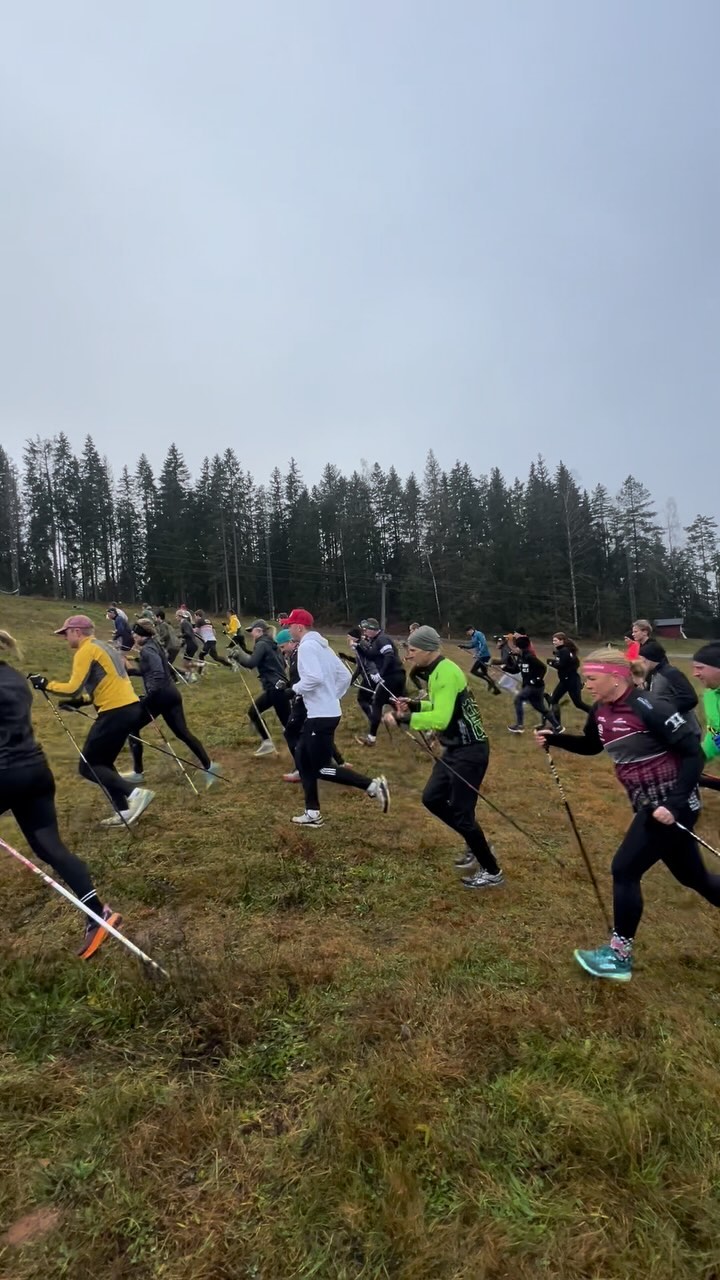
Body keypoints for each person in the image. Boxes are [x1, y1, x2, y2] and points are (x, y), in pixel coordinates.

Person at [535, 648, 712, 982]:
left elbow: (693, 756)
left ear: (615, 677)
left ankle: (619, 957)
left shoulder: (651, 708)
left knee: (624, 869)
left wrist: (674, 805)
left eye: (591, 678)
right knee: (695, 878)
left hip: (672, 806)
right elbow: (592, 745)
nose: (586, 685)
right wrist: (555, 739)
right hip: (650, 805)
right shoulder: (600, 709)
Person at [0, 630, 122, 958]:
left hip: (6, 775)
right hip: (35, 771)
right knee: (50, 847)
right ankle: (97, 914)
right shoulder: (14, 677)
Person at [384, 626, 504, 890]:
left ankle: (492, 870)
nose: (409, 655)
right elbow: (440, 706)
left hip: (470, 750)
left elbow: (441, 718)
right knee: (432, 798)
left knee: (462, 813)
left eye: (413, 650)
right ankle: (477, 842)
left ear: (428, 649)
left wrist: (403, 718)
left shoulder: (446, 672)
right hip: (455, 749)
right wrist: (414, 704)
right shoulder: (437, 670)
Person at [29, 615, 154, 827]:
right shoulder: (105, 647)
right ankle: (124, 811)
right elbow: (108, 683)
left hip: (114, 711)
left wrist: (45, 684)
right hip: (130, 708)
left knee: (88, 766)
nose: (65, 637)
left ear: (77, 631)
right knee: (103, 762)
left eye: (66, 633)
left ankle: (135, 793)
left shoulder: (85, 650)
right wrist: (81, 702)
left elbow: (72, 687)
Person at [285, 608, 389, 827]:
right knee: (302, 759)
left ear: (299, 627)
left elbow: (313, 677)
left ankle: (372, 785)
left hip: (320, 716)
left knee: (321, 768)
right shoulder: (323, 646)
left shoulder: (307, 647)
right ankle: (312, 813)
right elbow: (344, 675)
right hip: (324, 712)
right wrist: (333, 696)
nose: (288, 629)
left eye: (289, 625)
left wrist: (294, 689)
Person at [123, 621, 220, 788]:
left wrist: (148, 697)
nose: (133, 636)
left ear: (142, 635)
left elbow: (158, 673)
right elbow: (153, 670)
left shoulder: (147, 650)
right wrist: (131, 671)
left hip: (159, 697)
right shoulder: (155, 644)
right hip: (171, 694)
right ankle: (210, 767)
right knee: (183, 733)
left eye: (135, 634)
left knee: (131, 727)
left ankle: (138, 773)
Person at [277, 627, 346, 781]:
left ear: (291, 642)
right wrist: (288, 685)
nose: (282, 651)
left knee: (292, 733)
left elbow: (312, 678)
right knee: (318, 735)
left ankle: (302, 769)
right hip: (315, 702)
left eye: (282, 647)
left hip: (306, 700)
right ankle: (337, 763)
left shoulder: (303, 652)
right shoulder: (298, 653)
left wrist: (293, 691)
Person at [234, 620, 291, 756]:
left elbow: (251, 663)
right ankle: (267, 742)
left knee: (290, 726)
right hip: (277, 687)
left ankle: (316, 754)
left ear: (259, 631)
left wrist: (238, 656)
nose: (251, 634)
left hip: (275, 689)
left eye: (252, 631)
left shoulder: (261, 643)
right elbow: (283, 665)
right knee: (254, 712)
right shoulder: (273, 644)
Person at [355, 617, 407, 746]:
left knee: (377, 703)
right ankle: (425, 729)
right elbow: (370, 655)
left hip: (392, 676)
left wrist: (381, 673)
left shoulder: (382, 639)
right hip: (396, 675)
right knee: (400, 702)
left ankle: (371, 739)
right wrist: (358, 647)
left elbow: (389, 655)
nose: (365, 632)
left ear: (373, 630)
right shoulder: (375, 641)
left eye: (366, 630)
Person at [638, 640, 700, 735]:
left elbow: (690, 698)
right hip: (669, 731)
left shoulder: (671, 673)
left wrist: (663, 708)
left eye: (641, 659)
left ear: (647, 659)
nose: (639, 663)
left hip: (686, 731)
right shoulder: (651, 674)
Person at [507, 636, 562, 734]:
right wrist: (504, 667)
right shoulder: (521, 657)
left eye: (515, 647)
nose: (514, 649)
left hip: (534, 686)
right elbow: (515, 670)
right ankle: (558, 727)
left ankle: (519, 726)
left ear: (520, 647)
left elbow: (543, 667)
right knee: (540, 708)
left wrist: (536, 679)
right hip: (531, 686)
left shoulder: (529, 657)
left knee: (518, 699)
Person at [692, 642, 720, 779]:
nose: (695, 674)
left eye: (700, 668)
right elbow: (714, 732)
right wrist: (698, 758)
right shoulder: (709, 695)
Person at [548, 633, 592, 715]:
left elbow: (561, 665)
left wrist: (551, 663)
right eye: (553, 640)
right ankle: (556, 721)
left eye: (555, 640)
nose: (553, 642)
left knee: (578, 703)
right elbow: (574, 663)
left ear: (562, 641)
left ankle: (597, 714)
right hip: (565, 681)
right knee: (554, 700)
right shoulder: (564, 650)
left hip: (571, 681)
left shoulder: (564, 651)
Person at [459, 626, 501, 695]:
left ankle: (490, 682)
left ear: (471, 630)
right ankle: (496, 689)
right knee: (484, 673)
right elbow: (472, 645)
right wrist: (463, 646)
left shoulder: (479, 634)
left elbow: (484, 644)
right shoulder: (473, 637)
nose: (467, 634)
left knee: (473, 671)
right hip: (481, 656)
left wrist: (478, 654)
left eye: (467, 632)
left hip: (484, 656)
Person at [176, 609, 200, 682]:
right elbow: (187, 636)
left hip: (191, 645)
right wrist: (181, 644)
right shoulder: (185, 622)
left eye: (176, 616)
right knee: (186, 662)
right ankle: (189, 676)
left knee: (186, 662)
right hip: (192, 644)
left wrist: (179, 636)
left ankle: (192, 676)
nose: (176, 618)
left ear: (180, 616)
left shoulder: (184, 623)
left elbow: (188, 634)